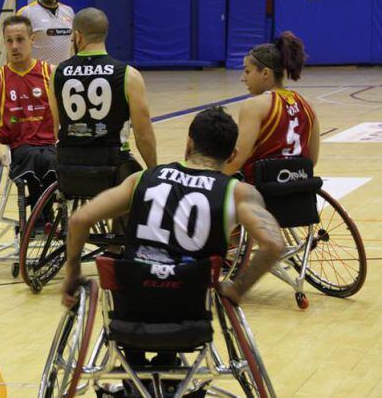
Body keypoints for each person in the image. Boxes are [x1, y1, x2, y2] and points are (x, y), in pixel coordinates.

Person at [61, 107, 284, 396]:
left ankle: (136, 373)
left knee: (135, 293)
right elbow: (273, 245)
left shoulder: (142, 179)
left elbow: (79, 219)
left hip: (130, 308)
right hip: (189, 312)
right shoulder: (237, 192)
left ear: (189, 143)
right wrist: (238, 287)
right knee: (181, 291)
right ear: (232, 155)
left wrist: (73, 274)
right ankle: (167, 373)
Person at [49, 7, 157, 189]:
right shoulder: (128, 75)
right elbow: (143, 134)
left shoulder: (57, 73)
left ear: (77, 35)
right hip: (113, 167)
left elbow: (54, 126)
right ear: (105, 34)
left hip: (69, 166)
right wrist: (154, 170)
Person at [0, 14, 56, 213]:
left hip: (51, 145)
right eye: (9, 40)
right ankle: (40, 217)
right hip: (19, 149)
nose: (14, 46)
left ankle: (47, 216)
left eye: (20, 39)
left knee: (52, 159)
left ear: (32, 39)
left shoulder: (52, 74)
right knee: (33, 156)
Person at [223, 31, 320, 181]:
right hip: (300, 191)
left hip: (260, 192)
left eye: (247, 71)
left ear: (266, 73)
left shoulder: (254, 105)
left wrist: (211, 178)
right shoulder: (308, 105)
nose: (243, 78)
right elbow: (312, 160)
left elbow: (236, 160)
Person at [17, 0, 75, 66]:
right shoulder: (26, 13)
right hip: (37, 76)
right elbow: (15, 47)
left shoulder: (69, 11)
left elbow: (73, 45)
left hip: (62, 75)